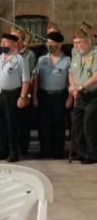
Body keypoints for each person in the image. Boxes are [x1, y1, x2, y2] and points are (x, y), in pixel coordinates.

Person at [0, 33, 30, 162]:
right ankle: (3, 150)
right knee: (0, 125)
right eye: (1, 42)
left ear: (14, 44)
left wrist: (22, 96)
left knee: (11, 124)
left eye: (6, 42)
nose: (2, 44)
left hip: (12, 94)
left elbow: (25, 80)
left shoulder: (20, 59)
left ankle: (14, 152)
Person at [33, 31, 72, 159]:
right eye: (48, 43)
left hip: (60, 96)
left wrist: (69, 97)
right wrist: (34, 96)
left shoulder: (66, 60)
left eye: (52, 43)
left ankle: (58, 151)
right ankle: (45, 150)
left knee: (59, 124)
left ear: (59, 45)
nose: (49, 45)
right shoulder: (42, 59)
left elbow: (70, 80)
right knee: (44, 124)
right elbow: (36, 78)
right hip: (44, 95)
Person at [68, 28, 97, 164]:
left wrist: (81, 86)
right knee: (77, 124)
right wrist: (73, 87)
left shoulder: (95, 53)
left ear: (87, 42)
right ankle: (81, 152)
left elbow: (96, 76)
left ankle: (92, 154)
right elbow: (71, 73)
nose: (76, 45)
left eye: (79, 42)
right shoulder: (75, 54)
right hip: (79, 95)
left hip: (92, 95)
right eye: (74, 42)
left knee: (88, 125)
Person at [11, 28, 35, 156]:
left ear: (22, 40)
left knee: (24, 121)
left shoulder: (29, 54)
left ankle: (24, 147)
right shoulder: (9, 54)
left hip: (24, 90)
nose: (14, 41)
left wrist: (25, 94)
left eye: (17, 38)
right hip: (12, 91)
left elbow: (30, 75)